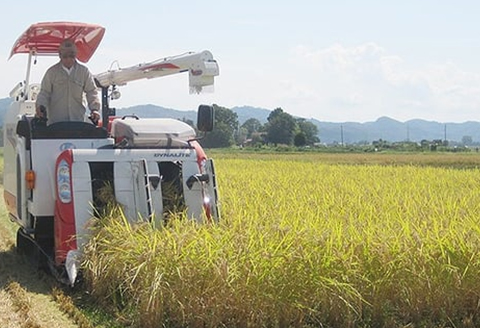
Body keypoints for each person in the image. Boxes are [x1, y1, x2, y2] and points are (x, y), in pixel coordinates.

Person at [35, 39, 101, 125]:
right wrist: (40, 106)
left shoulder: (84, 72)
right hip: (56, 123)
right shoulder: (51, 72)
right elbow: (44, 92)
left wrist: (94, 109)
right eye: (65, 56)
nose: (69, 59)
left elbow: (91, 91)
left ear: (76, 55)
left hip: (77, 121)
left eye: (72, 56)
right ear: (60, 55)